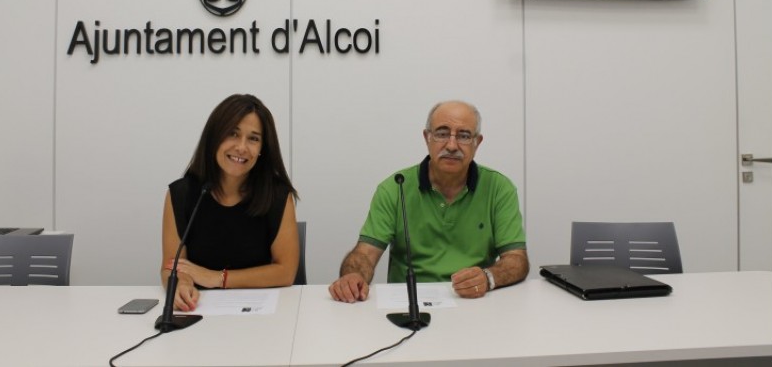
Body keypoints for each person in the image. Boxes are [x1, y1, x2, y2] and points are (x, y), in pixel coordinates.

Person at [329, 100, 528, 302]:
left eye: (464, 136)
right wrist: (352, 276)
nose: (451, 145)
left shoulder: (499, 188)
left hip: (474, 300)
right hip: (408, 304)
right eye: (442, 133)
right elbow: (365, 254)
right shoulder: (395, 187)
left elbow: (517, 259)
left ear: (477, 142)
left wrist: (488, 277)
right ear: (427, 138)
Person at [161, 94, 299, 312]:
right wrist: (182, 283)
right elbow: (172, 266)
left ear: (262, 148)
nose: (242, 147)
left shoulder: (277, 195)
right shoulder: (181, 194)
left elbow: (286, 272)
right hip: (199, 311)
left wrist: (217, 278)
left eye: (253, 138)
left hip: (263, 316)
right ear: (214, 137)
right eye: (232, 134)